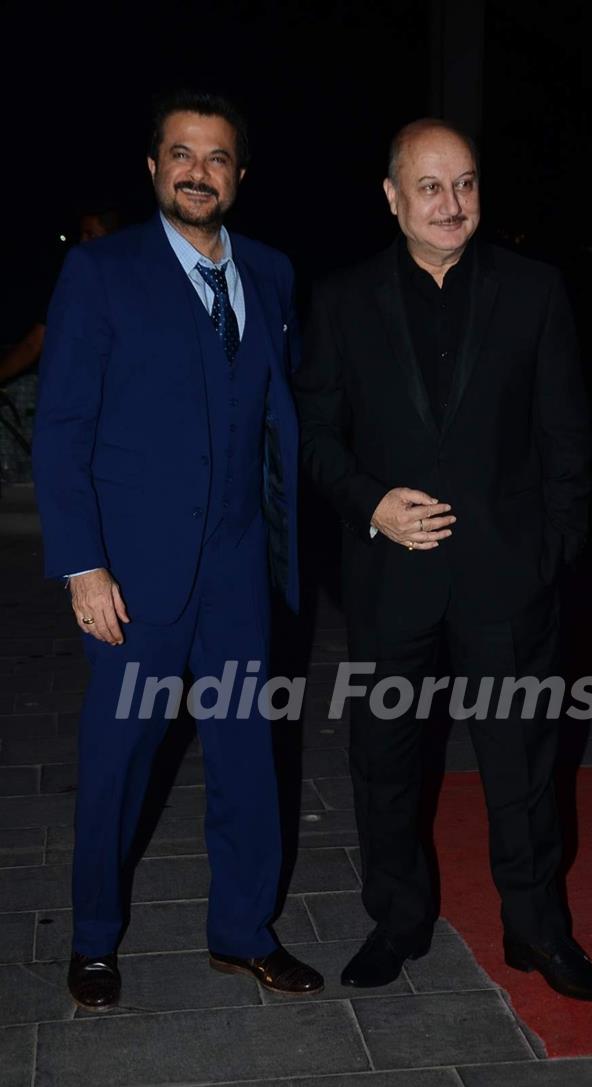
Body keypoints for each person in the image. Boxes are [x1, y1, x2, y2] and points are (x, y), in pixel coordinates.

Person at [294, 118, 592, 1001]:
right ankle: (397, 923)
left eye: (466, 184)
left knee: (522, 766)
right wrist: (371, 503)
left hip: (508, 582)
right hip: (390, 578)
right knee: (384, 764)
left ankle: (537, 931)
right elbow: (313, 433)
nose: (452, 203)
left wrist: (548, 555)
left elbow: (567, 440)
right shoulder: (343, 298)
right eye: (431, 187)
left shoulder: (535, 290)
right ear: (394, 198)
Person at [33, 89, 323, 1010]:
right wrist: (82, 564)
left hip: (241, 569)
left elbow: (281, 419)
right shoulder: (102, 273)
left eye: (218, 157)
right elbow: (63, 426)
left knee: (248, 756)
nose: (200, 172)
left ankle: (243, 932)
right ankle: (91, 940)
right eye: (181, 155)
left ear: (239, 175)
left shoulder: (273, 273)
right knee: (119, 762)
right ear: (154, 167)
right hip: (131, 575)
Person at [0, 206, 120, 385]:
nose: (82, 242)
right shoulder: (77, 282)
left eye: (91, 235)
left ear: (114, 238)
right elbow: (34, 342)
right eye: (82, 234)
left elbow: (33, 345)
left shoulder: (127, 286)